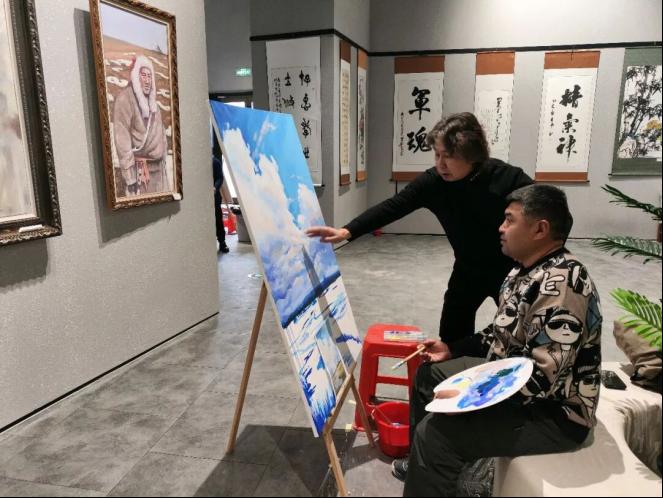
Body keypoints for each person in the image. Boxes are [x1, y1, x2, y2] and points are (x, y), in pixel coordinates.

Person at [391, 184, 602, 497]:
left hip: (555, 414)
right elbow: (501, 331)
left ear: (540, 229)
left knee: (436, 434)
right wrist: (452, 349)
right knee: (429, 375)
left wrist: (467, 399)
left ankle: (434, 463)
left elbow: (543, 381)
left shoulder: (564, 284)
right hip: (508, 377)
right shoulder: (523, 271)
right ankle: (429, 469)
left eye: (509, 220)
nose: (501, 228)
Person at [306, 113, 533, 343]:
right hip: (467, 267)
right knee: (451, 336)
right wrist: (347, 231)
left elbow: (546, 211)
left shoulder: (507, 178)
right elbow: (394, 206)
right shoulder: (434, 183)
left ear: (472, 153)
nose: (440, 164)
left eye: (449, 156)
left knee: (518, 334)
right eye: (437, 154)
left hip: (511, 269)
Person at [112, 55, 168, 197]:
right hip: (139, 174)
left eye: (150, 76)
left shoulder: (154, 105)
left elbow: (161, 136)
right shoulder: (125, 99)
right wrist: (130, 177)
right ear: (136, 76)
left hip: (158, 172)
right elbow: (122, 139)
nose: (148, 81)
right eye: (143, 75)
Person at [213, 135, 229, 253]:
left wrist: (215, 187)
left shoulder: (215, 162)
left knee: (218, 219)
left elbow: (220, 177)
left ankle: (222, 242)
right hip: (201, 200)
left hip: (214, 197)